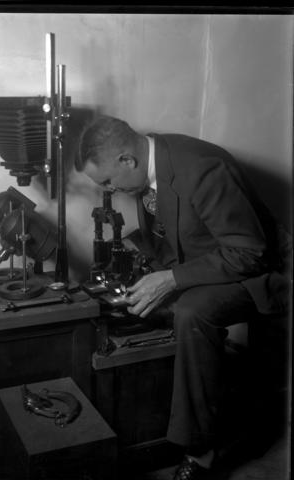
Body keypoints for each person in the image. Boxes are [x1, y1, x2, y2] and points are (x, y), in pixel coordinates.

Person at [75, 115, 291, 480]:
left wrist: (171, 279)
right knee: (147, 299)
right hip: (214, 264)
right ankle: (148, 426)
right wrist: (138, 257)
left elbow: (249, 252)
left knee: (192, 311)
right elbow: (176, 235)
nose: (108, 190)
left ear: (127, 160)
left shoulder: (202, 169)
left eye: (108, 181)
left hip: (261, 272)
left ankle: (199, 454)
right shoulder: (150, 170)